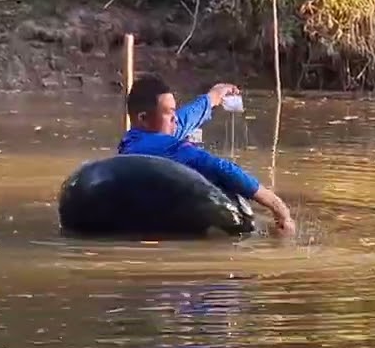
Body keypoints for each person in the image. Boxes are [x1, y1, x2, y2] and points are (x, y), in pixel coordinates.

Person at [118, 74, 296, 236]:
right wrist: (277, 207)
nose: (175, 118)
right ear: (142, 118)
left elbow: (186, 118)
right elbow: (219, 167)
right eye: (169, 113)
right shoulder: (162, 147)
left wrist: (214, 96)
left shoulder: (137, 139)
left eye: (174, 111)